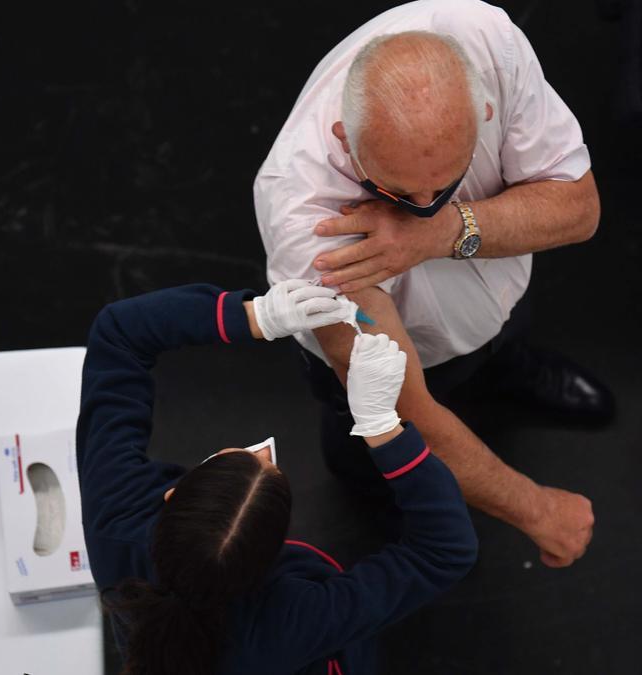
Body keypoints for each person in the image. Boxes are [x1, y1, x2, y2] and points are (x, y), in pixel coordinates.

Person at [255, 0, 603, 567]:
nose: (420, 209)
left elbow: (580, 209)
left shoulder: (488, 41)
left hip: (499, 292)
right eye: (397, 193)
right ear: (345, 138)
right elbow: (403, 410)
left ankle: (506, 370)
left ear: (484, 111)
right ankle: (383, 499)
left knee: (505, 338)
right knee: (369, 451)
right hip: (401, 364)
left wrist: (441, 232)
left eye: (446, 184)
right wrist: (535, 510)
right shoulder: (305, 222)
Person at [76, 280, 478, 675]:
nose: (263, 449)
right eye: (264, 461)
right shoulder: (294, 622)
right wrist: (381, 425)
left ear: (173, 497)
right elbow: (444, 550)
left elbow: (119, 334)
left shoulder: (118, 520)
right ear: (271, 559)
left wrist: (255, 316)